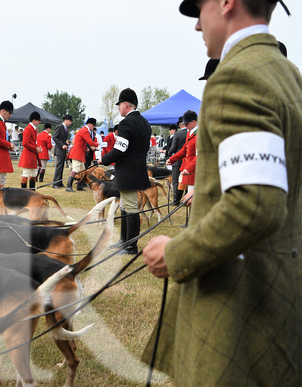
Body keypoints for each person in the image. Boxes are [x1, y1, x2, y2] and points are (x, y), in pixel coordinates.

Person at [142, 1, 301, 385]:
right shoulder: (288, 74)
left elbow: (256, 205)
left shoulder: (236, 77)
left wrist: (175, 252)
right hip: (279, 293)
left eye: (199, 8)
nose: (197, 25)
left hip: (238, 304)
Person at [101, 88, 151, 254]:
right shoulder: (144, 122)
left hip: (128, 172)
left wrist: (104, 159)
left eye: (119, 105)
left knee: (130, 207)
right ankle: (123, 241)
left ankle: (131, 246)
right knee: (124, 205)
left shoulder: (126, 123)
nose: (118, 109)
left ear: (125, 105)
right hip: (137, 170)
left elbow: (119, 150)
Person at [66, 118, 99, 192]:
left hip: (79, 152)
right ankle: (68, 186)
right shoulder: (85, 130)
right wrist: (97, 144)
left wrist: (85, 148)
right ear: (89, 124)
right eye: (93, 125)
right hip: (77, 153)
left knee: (82, 170)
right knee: (75, 170)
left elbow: (80, 142)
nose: (93, 127)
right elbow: (90, 142)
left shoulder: (84, 130)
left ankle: (79, 186)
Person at [18, 111, 42, 190]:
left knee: (34, 172)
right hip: (28, 154)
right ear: (34, 120)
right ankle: (23, 191)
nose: (39, 122)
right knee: (26, 173)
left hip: (32, 154)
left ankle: (32, 191)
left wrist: (37, 148)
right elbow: (25, 143)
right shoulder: (28, 129)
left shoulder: (33, 129)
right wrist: (35, 148)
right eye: (38, 120)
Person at [167, 116, 187, 204]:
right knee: (187, 179)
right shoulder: (191, 133)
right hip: (187, 160)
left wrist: (168, 153)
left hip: (177, 160)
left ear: (180, 124)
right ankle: (187, 198)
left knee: (175, 180)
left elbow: (173, 148)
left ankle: (176, 200)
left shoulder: (177, 134)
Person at [51, 114, 73, 188]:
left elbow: (61, 139)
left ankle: (59, 182)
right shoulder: (60, 127)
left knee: (62, 166)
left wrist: (65, 143)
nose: (70, 123)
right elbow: (55, 137)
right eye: (69, 121)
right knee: (59, 166)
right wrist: (61, 145)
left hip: (63, 149)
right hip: (59, 149)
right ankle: (55, 183)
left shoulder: (65, 128)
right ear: (65, 120)